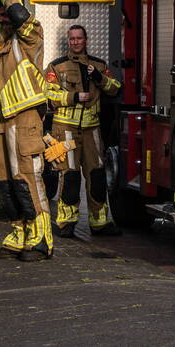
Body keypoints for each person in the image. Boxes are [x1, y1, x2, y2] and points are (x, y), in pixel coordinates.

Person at [0, 0, 53, 261]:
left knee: (28, 179)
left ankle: (41, 239)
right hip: (3, 119)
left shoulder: (30, 35)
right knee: (7, 183)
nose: (1, 19)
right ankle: (20, 233)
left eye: (4, 14)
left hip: (25, 117)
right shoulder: (1, 43)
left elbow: (18, 15)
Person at [45, 24, 122, 237]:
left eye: (79, 38)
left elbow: (115, 88)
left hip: (92, 130)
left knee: (97, 176)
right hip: (65, 129)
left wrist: (99, 77)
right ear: (68, 41)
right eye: (72, 39)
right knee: (70, 177)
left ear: (86, 40)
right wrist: (74, 97)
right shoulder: (56, 66)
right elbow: (48, 95)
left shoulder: (99, 65)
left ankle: (100, 222)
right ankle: (66, 224)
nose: (75, 42)